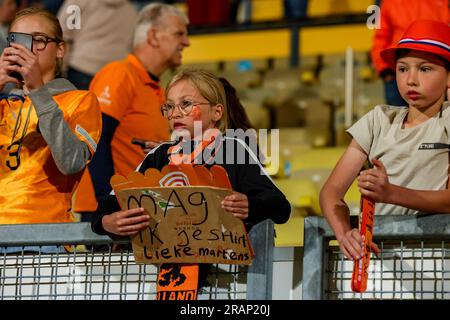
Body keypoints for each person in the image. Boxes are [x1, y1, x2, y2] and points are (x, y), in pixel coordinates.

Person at [91, 68, 290, 236]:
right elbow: (112, 200)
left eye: (186, 104)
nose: (175, 113)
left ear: (216, 112)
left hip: (227, 274)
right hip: (166, 269)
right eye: (169, 106)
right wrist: (106, 222)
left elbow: (280, 206)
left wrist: (251, 206)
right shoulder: (159, 155)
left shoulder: (233, 149)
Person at [320, 20, 450, 261]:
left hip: (435, 256)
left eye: (425, 69)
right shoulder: (378, 119)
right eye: (402, 69)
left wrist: (390, 193)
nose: (411, 79)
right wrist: (344, 233)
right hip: (374, 259)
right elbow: (331, 191)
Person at [73, 2, 190, 217]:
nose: (187, 42)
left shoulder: (158, 89)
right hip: (113, 214)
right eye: (179, 34)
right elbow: (95, 139)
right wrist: (108, 204)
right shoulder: (120, 74)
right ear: (154, 36)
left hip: (141, 210)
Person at [0, 7, 101, 225]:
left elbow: (72, 163)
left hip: (44, 239)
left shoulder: (81, 100)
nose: (27, 51)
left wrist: (38, 91)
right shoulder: (4, 104)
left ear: (60, 50)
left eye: (38, 40)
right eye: (18, 41)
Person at [370, 0, 449, 106]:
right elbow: (380, 36)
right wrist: (385, 69)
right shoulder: (388, 3)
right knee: (397, 117)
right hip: (395, 72)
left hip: (432, 68)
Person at [57, 0, 138, 90]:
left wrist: (60, 68)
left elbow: (61, 33)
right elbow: (132, 45)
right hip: (114, 75)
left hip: (81, 67)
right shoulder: (131, 11)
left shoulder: (79, 2)